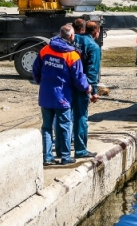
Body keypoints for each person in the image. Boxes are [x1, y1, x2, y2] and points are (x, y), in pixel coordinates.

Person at [32, 24, 91, 165]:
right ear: (71, 36)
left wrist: (41, 82)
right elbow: (79, 78)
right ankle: (65, 157)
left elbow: (35, 70)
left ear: (60, 34)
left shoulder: (45, 50)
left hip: (46, 95)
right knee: (64, 125)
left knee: (46, 127)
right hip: (62, 97)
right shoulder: (72, 55)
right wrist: (87, 88)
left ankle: (47, 157)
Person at [71, 19, 101, 159]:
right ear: (96, 32)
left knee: (63, 117)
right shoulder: (93, 47)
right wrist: (93, 91)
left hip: (67, 84)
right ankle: (80, 150)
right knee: (81, 118)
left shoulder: (72, 39)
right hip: (82, 86)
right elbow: (92, 71)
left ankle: (61, 149)